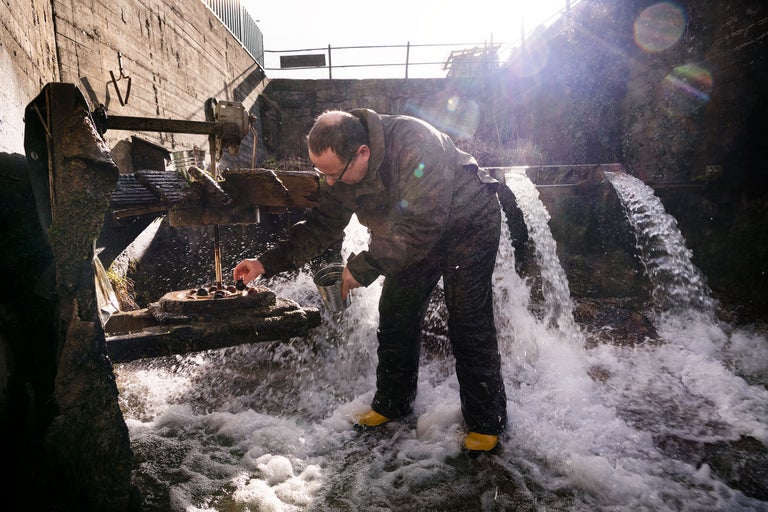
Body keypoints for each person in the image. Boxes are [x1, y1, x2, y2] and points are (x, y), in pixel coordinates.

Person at [233, 109, 507, 452]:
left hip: (468, 224)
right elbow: (322, 226)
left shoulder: (415, 141)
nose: (329, 182)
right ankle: (393, 404)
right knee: (395, 312)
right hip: (409, 234)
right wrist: (264, 263)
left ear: (362, 152)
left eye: (334, 174)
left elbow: (421, 226)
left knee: (468, 319)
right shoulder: (340, 169)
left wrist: (362, 268)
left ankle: (486, 422)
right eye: (323, 173)